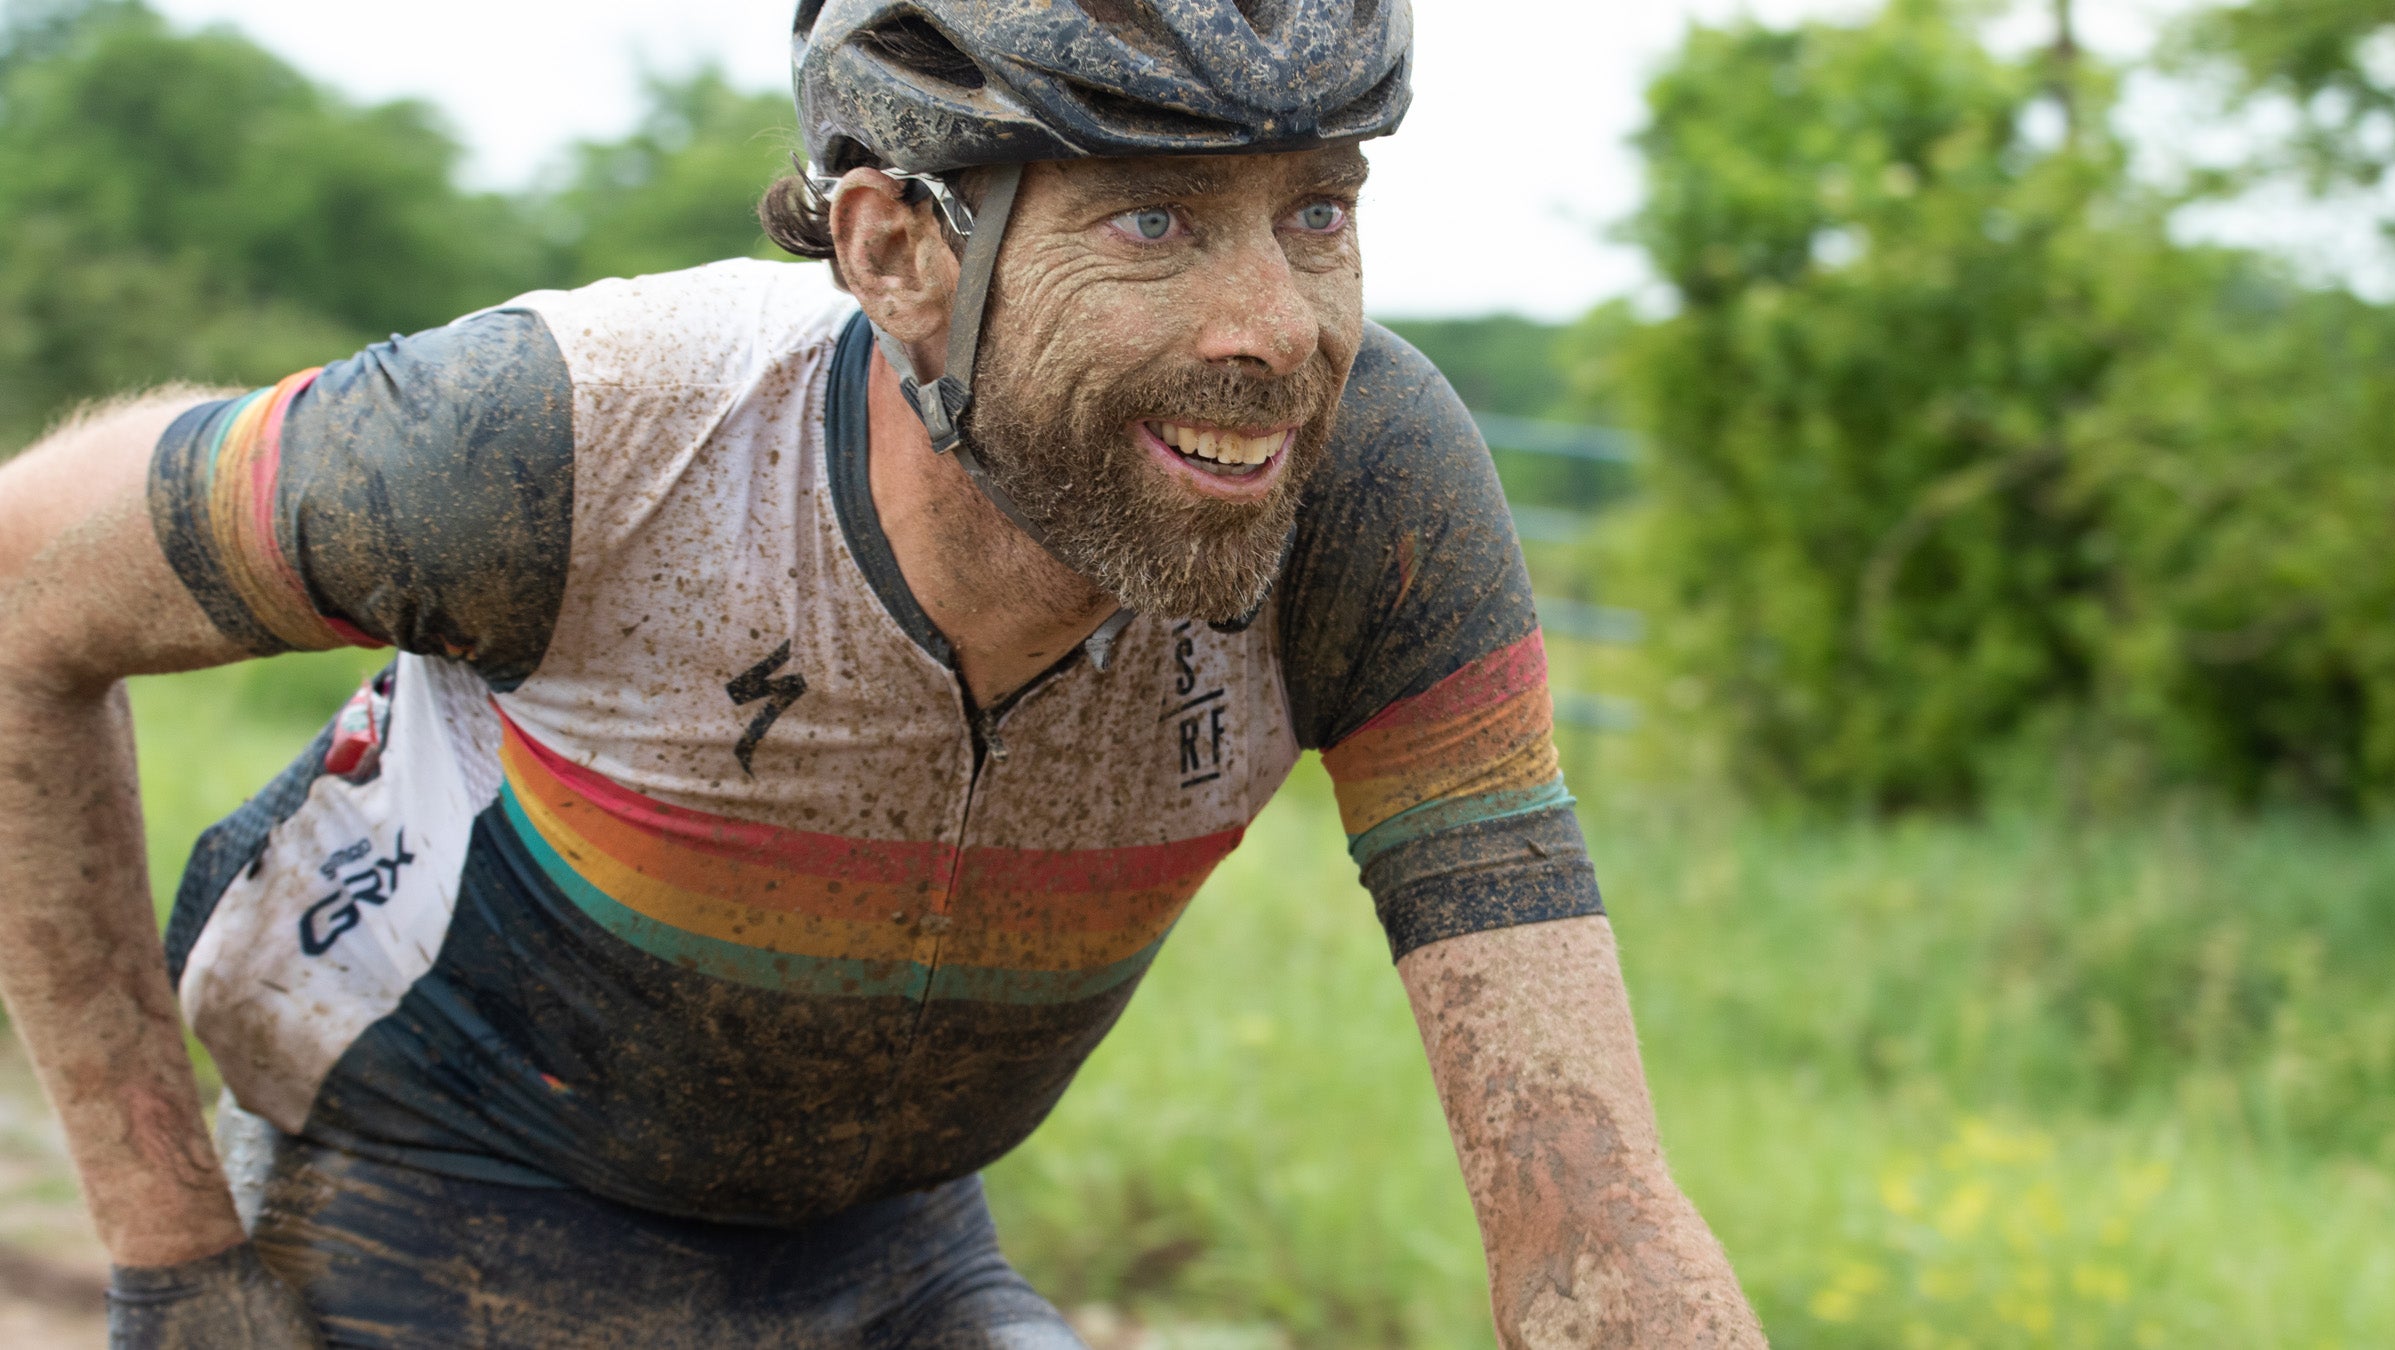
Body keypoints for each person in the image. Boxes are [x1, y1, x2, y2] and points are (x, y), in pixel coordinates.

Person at [0, 1, 1767, 1345]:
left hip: (894, 1249)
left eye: (1315, 212)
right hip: (420, 1201)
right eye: (1154, 223)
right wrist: (170, 1257)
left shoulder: (1373, 488)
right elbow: (22, 589)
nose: (1279, 331)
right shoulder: (553, 438)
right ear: (897, 252)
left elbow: (1589, 1208)